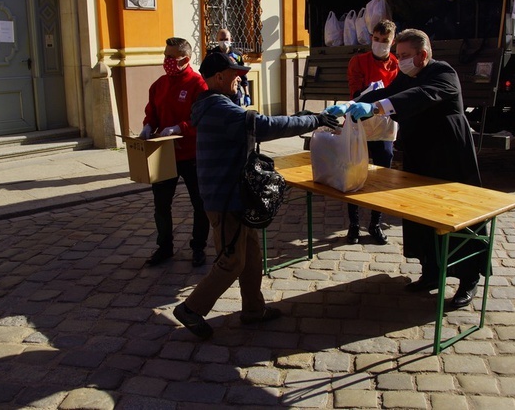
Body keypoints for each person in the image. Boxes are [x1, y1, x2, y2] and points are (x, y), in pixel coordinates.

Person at [173, 52, 339, 339]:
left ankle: (253, 310)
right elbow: (263, 126)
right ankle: (190, 309)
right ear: (219, 77)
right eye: (235, 74)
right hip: (224, 201)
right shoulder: (218, 108)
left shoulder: (219, 104)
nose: (241, 79)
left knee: (251, 257)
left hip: (235, 196)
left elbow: (262, 121)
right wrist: (314, 120)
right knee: (232, 261)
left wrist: (301, 118)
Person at [326, 29, 483, 308]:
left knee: (458, 216)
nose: (401, 61)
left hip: (449, 157)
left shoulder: (443, 73)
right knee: (421, 214)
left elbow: (421, 96)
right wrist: (354, 103)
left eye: (406, 56)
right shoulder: (406, 74)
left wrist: (376, 109)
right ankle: (431, 271)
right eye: (398, 56)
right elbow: (388, 92)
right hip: (420, 154)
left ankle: (468, 278)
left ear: (423, 55)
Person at [139, 37, 210, 268]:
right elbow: (152, 112)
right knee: (161, 203)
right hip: (164, 153)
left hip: (191, 155)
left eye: (171, 57)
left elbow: (202, 120)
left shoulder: (198, 85)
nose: (166, 61)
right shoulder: (159, 85)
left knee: (200, 204)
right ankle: (164, 247)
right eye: (165, 55)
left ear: (185, 59)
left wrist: (181, 128)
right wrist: (148, 125)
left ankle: (198, 247)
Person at [344, 19, 399, 245]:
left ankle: (375, 223)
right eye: (376, 39)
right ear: (371, 38)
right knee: (354, 175)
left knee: (382, 177)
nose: (380, 44)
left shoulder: (396, 64)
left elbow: (399, 95)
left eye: (385, 41)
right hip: (361, 125)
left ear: (392, 41)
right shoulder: (358, 61)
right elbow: (356, 91)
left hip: (385, 129)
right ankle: (354, 224)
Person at [208, 28, 251, 107]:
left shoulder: (237, 54)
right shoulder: (212, 54)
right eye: (221, 39)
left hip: (234, 91)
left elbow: (243, 75)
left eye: (226, 39)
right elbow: (206, 73)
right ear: (217, 40)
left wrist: (247, 94)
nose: (224, 42)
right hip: (219, 92)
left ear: (231, 39)